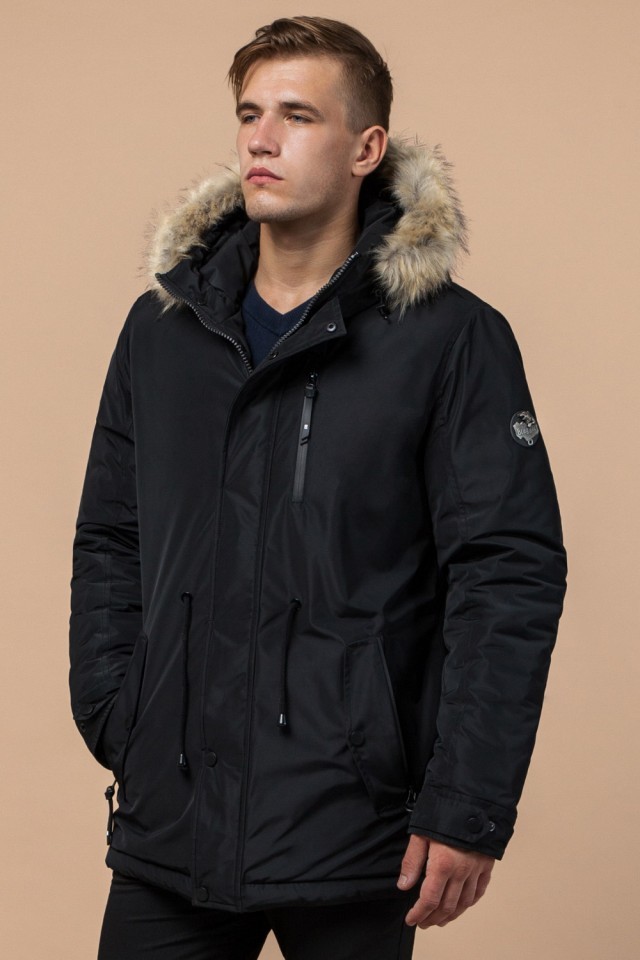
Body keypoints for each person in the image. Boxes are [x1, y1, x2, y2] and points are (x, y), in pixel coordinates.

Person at [68, 15, 568, 960]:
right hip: (173, 819)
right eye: (249, 113)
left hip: (354, 823)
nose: (261, 139)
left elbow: (507, 574)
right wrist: (118, 709)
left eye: (297, 116)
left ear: (365, 149)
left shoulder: (449, 339)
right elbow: (111, 536)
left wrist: (467, 804)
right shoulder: (162, 332)